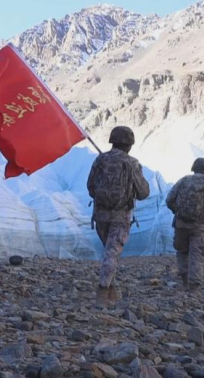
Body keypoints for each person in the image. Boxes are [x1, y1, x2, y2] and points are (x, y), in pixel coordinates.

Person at [87, 126, 150, 307]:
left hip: (100, 215)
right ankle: (102, 291)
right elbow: (143, 192)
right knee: (112, 253)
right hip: (121, 217)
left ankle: (112, 291)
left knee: (109, 253)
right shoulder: (132, 163)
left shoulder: (100, 160)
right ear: (129, 145)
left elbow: (90, 187)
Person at [165, 158, 204, 292]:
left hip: (181, 224)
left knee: (182, 251)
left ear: (194, 168)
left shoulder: (184, 181)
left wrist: (177, 211)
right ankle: (194, 286)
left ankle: (185, 281)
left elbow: (169, 199)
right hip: (200, 226)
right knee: (196, 254)